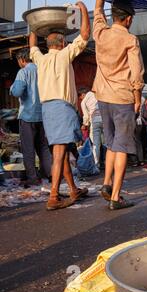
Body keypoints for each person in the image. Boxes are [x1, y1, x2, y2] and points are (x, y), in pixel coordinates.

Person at [29, 1, 90, 211]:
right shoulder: (66, 55)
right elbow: (84, 35)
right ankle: (54, 196)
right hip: (62, 108)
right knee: (59, 152)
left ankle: (73, 189)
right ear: (63, 43)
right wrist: (82, 10)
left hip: (47, 110)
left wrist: (34, 27)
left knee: (60, 150)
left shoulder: (40, 59)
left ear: (48, 45)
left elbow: (32, 45)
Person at [93, 0, 145, 210]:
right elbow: (137, 71)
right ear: (129, 18)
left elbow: (97, 12)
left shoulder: (101, 34)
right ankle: (115, 196)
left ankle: (106, 183)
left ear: (113, 15)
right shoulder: (130, 39)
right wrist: (138, 97)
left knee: (111, 143)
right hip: (122, 98)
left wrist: (99, 3)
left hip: (103, 97)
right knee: (122, 146)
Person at [10, 48, 52, 187]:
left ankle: (32, 178)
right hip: (42, 115)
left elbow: (17, 92)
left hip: (27, 116)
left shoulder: (23, 72)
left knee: (28, 149)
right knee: (43, 147)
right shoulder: (42, 69)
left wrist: (11, 88)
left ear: (22, 60)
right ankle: (50, 174)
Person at [79, 88, 103, 168]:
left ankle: (97, 164)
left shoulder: (84, 102)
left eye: (80, 97)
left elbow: (86, 116)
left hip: (95, 121)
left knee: (96, 144)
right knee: (109, 142)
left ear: (83, 94)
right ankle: (111, 162)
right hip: (105, 119)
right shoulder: (96, 94)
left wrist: (84, 124)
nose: (81, 99)